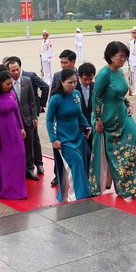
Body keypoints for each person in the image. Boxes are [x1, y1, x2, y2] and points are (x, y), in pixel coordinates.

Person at [88, 41, 136, 198]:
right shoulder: (103, 74)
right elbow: (96, 98)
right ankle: (124, 185)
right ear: (111, 56)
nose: (124, 60)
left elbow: (120, 94)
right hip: (107, 118)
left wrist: (128, 103)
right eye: (121, 56)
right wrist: (97, 120)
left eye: (125, 57)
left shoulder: (120, 71)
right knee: (116, 153)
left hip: (123, 114)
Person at [47, 68, 91, 202]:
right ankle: (79, 195)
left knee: (80, 164)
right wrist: (53, 139)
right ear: (61, 82)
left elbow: (79, 113)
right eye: (69, 82)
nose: (73, 85)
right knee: (75, 162)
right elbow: (48, 120)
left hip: (78, 136)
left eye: (75, 82)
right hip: (63, 138)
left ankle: (70, 193)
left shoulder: (76, 94)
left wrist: (87, 125)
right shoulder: (56, 99)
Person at [0, 70, 27, 200]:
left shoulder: (12, 94)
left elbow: (17, 111)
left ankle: (19, 186)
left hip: (14, 128)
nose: (10, 86)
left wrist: (21, 127)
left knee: (20, 155)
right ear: (0, 83)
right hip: (2, 129)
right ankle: (7, 188)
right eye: (7, 84)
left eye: (11, 84)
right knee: (6, 160)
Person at [7, 57, 41, 181]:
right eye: (13, 70)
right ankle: (18, 168)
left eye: (17, 69)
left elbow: (32, 101)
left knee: (29, 144)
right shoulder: (7, 84)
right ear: (8, 71)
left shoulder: (27, 80)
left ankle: (30, 168)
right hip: (13, 120)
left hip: (27, 118)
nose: (16, 72)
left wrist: (34, 117)